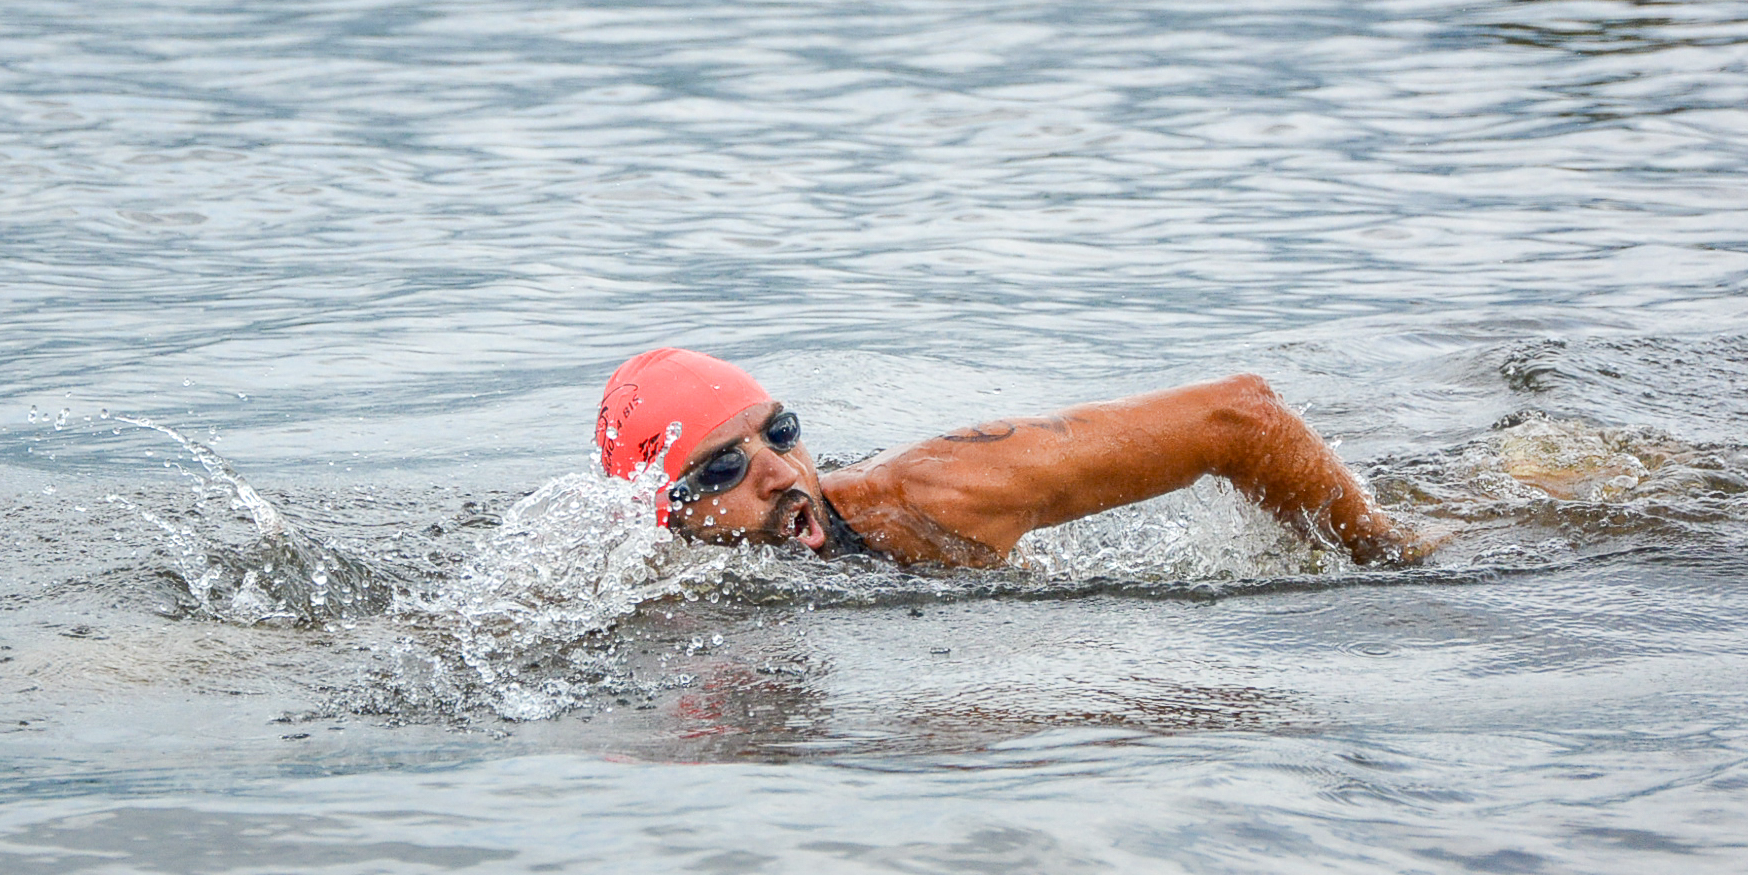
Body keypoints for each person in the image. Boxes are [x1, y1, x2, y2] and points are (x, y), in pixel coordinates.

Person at [594, 347, 1432, 569]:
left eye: (780, 434)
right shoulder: (638, 579)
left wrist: (1383, 553)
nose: (781, 472)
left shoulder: (933, 497)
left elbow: (1240, 416)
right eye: (723, 468)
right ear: (662, 515)